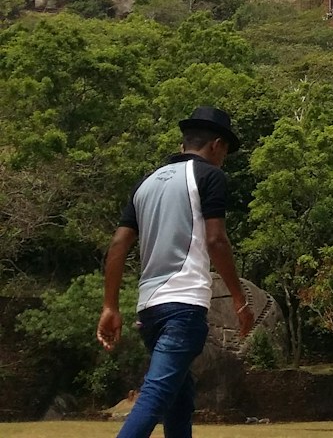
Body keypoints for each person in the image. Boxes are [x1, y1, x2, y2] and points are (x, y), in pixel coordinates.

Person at [97, 106, 256, 438]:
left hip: (149, 310)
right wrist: (240, 299)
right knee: (155, 395)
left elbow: (117, 245)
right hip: (183, 306)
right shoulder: (210, 176)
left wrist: (110, 306)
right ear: (216, 145)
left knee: (180, 400)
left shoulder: (146, 184)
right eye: (225, 150)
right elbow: (216, 240)